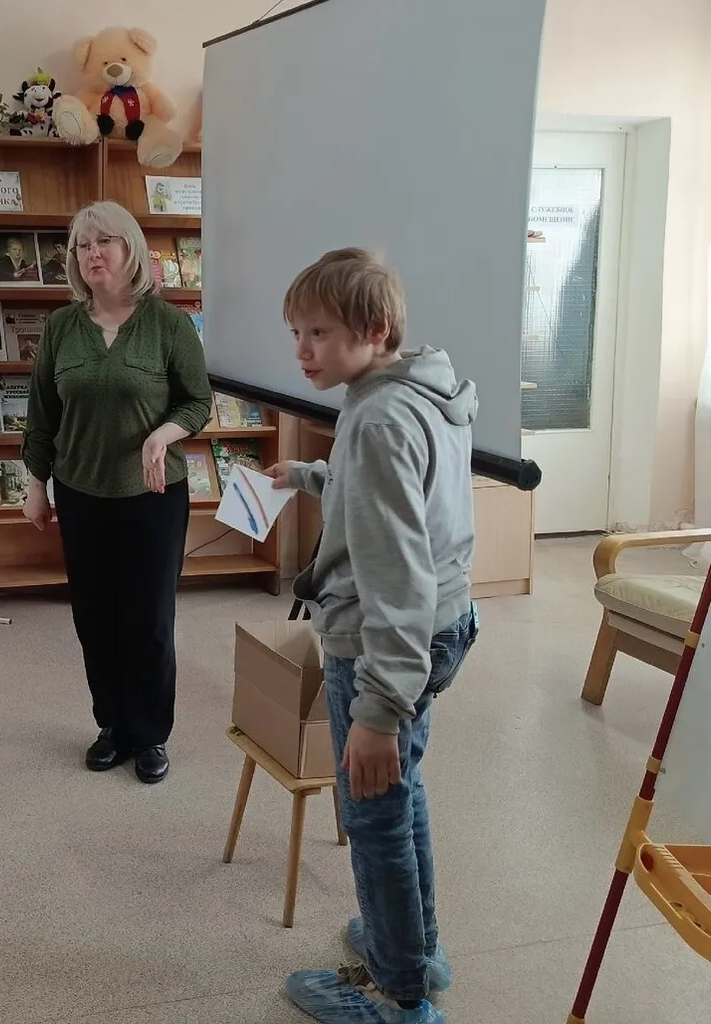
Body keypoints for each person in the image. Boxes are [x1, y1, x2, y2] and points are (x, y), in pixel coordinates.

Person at [265, 248, 479, 1024]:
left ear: (376, 329)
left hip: (385, 642)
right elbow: (399, 498)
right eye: (296, 332)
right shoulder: (419, 389)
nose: (302, 351)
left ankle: (399, 997)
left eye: (319, 333)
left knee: (374, 814)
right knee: (401, 793)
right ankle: (413, 948)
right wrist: (310, 477)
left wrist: (379, 710)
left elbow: (395, 570)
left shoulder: (378, 418)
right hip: (444, 625)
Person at [20, 200, 213, 784]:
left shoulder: (168, 324)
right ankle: (112, 726)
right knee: (95, 617)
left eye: (105, 241)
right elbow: (42, 416)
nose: (93, 254)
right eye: (83, 245)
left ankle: (150, 734)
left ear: (130, 248)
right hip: (81, 493)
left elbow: (197, 402)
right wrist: (36, 484)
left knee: (148, 619)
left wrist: (162, 434)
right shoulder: (61, 327)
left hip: (153, 497)